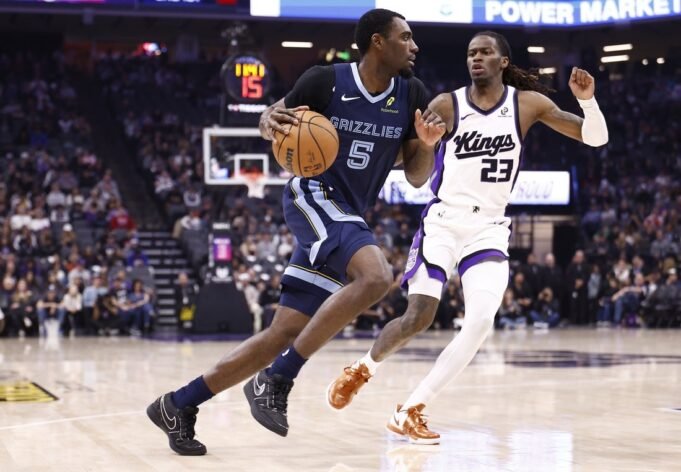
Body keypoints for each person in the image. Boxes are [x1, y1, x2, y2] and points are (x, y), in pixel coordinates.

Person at [146, 8, 445, 455]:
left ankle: (178, 405)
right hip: (313, 194)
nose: (414, 45)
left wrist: (426, 144)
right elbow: (273, 119)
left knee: (282, 333)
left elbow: (418, 177)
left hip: (347, 211)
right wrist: (268, 121)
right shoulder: (325, 81)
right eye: (405, 37)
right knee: (377, 277)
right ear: (377, 42)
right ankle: (277, 379)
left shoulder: (412, 93)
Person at [326, 30, 608, 444]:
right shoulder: (447, 104)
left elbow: (596, 137)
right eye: (471, 53)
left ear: (503, 62)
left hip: (489, 227)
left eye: (485, 52)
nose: (476, 58)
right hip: (443, 221)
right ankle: (363, 368)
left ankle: (410, 410)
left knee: (479, 323)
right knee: (418, 317)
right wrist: (425, 146)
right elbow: (412, 166)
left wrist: (587, 101)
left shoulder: (527, 104)